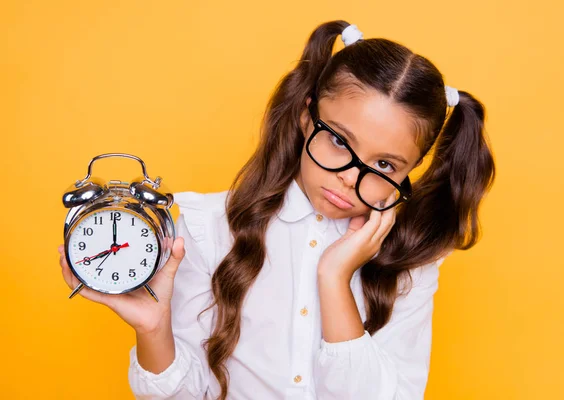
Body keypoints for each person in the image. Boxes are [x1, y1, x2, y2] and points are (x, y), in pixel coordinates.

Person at [58, 20, 495, 400]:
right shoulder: (208, 227)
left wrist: (334, 278)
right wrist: (154, 331)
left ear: (409, 172)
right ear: (307, 118)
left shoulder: (412, 266)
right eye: (339, 140)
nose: (348, 176)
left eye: (384, 164)